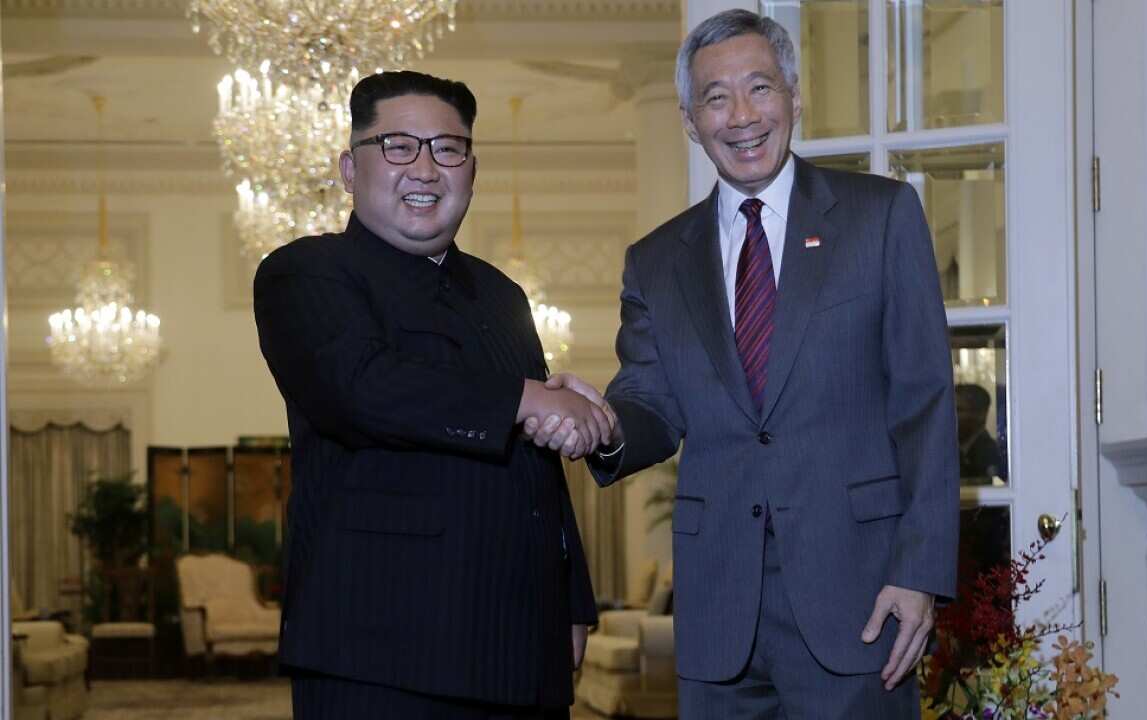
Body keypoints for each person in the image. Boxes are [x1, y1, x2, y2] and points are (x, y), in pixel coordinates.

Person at [528, 9, 959, 718]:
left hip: (859, 596)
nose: (742, 115)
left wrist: (919, 572)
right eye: (716, 97)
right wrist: (599, 422)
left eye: (759, 88)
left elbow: (925, 404)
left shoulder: (881, 217)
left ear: (793, 95)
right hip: (719, 610)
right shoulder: (657, 260)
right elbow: (653, 404)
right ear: (691, 120)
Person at [253, 70, 614, 719]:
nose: (425, 168)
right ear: (348, 167)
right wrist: (530, 400)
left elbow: (540, 472)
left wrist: (573, 599)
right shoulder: (307, 271)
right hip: (381, 655)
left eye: (448, 149)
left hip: (522, 650)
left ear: (471, 169)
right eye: (398, 146)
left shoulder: (502, 295)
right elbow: (362, 387)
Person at [955, 383, 1006, 483]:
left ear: (980, 414)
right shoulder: (950, 450)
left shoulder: (990, 455)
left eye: (959, 410)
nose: (951, 416)